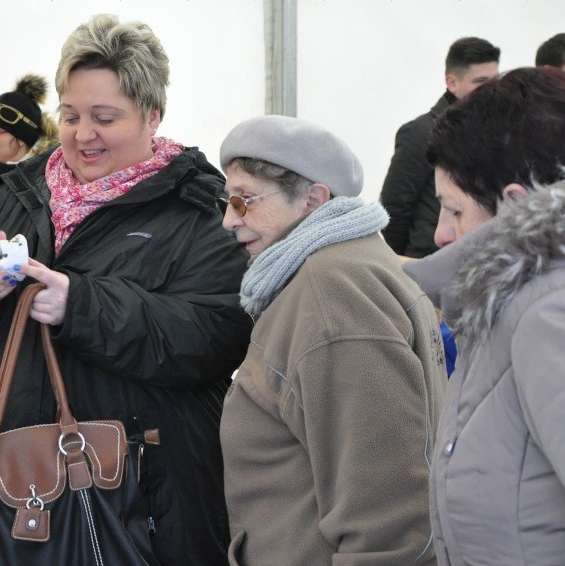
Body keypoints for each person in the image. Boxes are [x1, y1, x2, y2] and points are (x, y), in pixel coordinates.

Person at [0, 14, 251, 565]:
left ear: (152, 114)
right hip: (3, 488)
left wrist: (80, 304)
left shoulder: (198, 212)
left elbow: (214, 335)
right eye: (70, 115)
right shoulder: (15, 194)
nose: (82, 134)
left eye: (104, 117)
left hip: (138, 498)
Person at [217, 115, 447, 565]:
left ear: (313, 199)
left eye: (245, 201)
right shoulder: (344, 267)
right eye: (227, 201)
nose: (228, 220)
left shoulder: (333, 292)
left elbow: (388, 518)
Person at [402, 66, 565, 564]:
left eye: (453, 210)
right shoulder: (505, 303)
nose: (440, 235)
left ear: (515, 206)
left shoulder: (547, 314)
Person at [379, 37, 500, 258]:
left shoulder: (495, 131)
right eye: (481, 82)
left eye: (496, 81)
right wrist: (409, 263)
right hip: (428, 262)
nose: (492, 90)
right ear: (452, 83)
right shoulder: (419, 132)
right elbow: (394, 207)